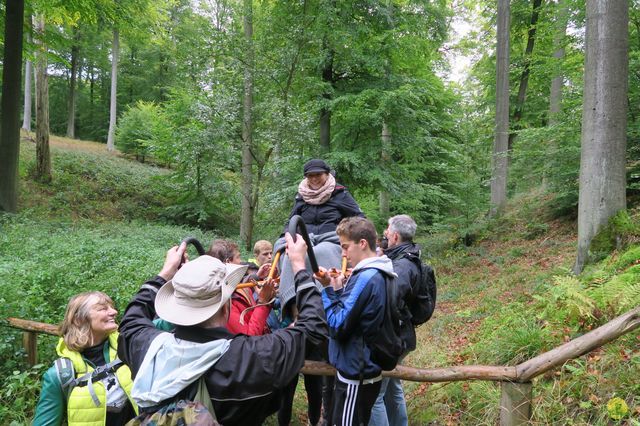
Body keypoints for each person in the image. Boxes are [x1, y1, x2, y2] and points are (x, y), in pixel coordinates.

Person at [116, 234, 328, 426]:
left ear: (175, 305)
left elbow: (131, 319)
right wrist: (299, 266)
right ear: (226, 306)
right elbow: (313, 328)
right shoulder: (251, 357)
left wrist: (165, 273)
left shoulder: (145, 348)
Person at [276, 159, 364, 425]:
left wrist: (345, 232)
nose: (314, 180)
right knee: (287, 256)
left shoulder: (339, 194)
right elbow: (291, 221)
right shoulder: (301, 196)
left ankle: (321, 302)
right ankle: (296, 309)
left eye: (319, 176)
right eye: (311, 176)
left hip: (328, 239)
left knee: (324, 252)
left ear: (327, 175)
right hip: (304, 238)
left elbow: (358, 219)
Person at [316, 216, 396, 426]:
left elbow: (337, 324)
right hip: (361, 369)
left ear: (362, 243)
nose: (342, 254)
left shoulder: (366, 277)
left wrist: (326, 290)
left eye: (345, 247)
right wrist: (338, 288)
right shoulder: (381, 272)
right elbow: (356, 314)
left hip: (356, 373)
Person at [33, 291, 137, 426]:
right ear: (79, 319)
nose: (114, 312)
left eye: (111, 307)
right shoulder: (60, 375)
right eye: (103, 308)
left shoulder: (128, 347)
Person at [369, 215, 421, 426]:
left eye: (387, 233)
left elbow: (390, 300)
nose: (385, 236)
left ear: (396, 236)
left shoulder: (402, 266)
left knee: (374, 396)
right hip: (402, 335)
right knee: (392, 388)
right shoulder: (407, 257)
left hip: (394, 338)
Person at [208, 239, 275, 336]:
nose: (241, 261)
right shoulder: (225, 301)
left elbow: (243, 283)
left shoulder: (234, 285)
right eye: (238, 257)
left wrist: (258, 277)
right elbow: (249, 338)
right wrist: (263, 302)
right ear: (228, 262)